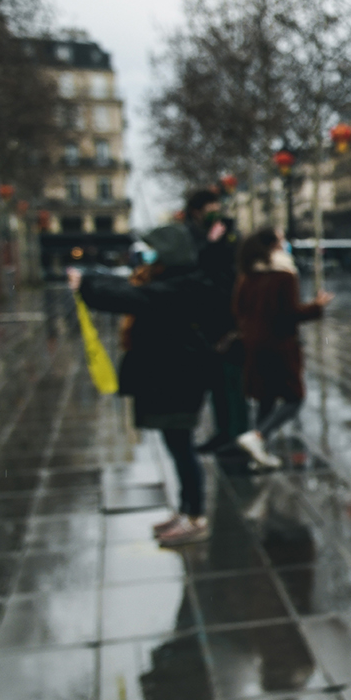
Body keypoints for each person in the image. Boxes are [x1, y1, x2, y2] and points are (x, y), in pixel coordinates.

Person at [72, 226, 215, 546]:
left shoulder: (186, 285)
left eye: (154, 251)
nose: (148, 257)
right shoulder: (167, 280)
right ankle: (186, 510)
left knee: (182, 448)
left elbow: (134, 298)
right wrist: (90, 283)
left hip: (181, 377)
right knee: (176, 446)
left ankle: (196, 517)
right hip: (170, 376)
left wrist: (86, 284)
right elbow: (131, 289)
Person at [230, 229, 332, 471]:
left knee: (265, 398)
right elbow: (289, 315)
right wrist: (316, 306)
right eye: (281, 240)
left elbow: (238, 310)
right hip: (280, 345)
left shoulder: (248, 274)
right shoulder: (285, 275)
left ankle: (259, 453)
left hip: (254, 344)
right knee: (294, 398)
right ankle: (258, 437)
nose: (284, 243)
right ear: (273, 246)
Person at [180, 189, 248, 457]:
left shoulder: (231, 235)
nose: (215, 212)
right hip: (203, 318)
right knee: (215, 382)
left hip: (229, 318)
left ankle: (238, 434)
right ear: (196, 211)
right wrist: (210, 243)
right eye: (210, 207)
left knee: (233, 380)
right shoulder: (190, 235)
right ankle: (223, 432)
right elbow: (194, 265)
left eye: (218, 206)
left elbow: (236, 269)